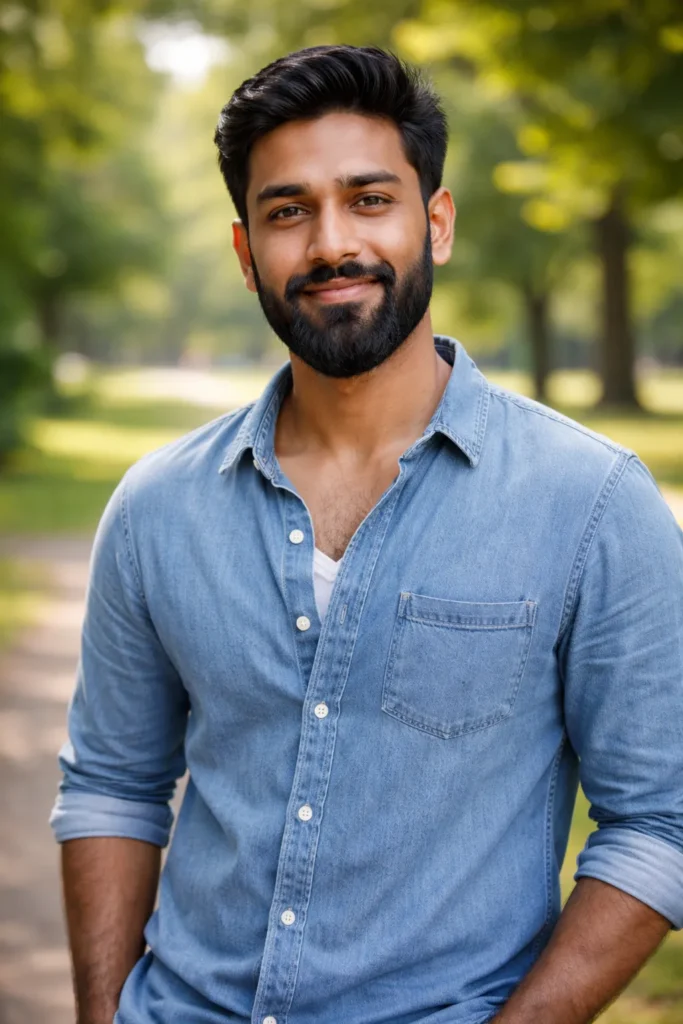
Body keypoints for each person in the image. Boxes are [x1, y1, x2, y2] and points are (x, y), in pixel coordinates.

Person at [50, 45, 683, 1024]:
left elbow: (656, 824)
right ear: (243, 249)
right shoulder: (155, 507)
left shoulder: (591, 501)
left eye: (368, 199)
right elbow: (112, 788)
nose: (329, 242)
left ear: (434, 223)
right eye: (288, 210)